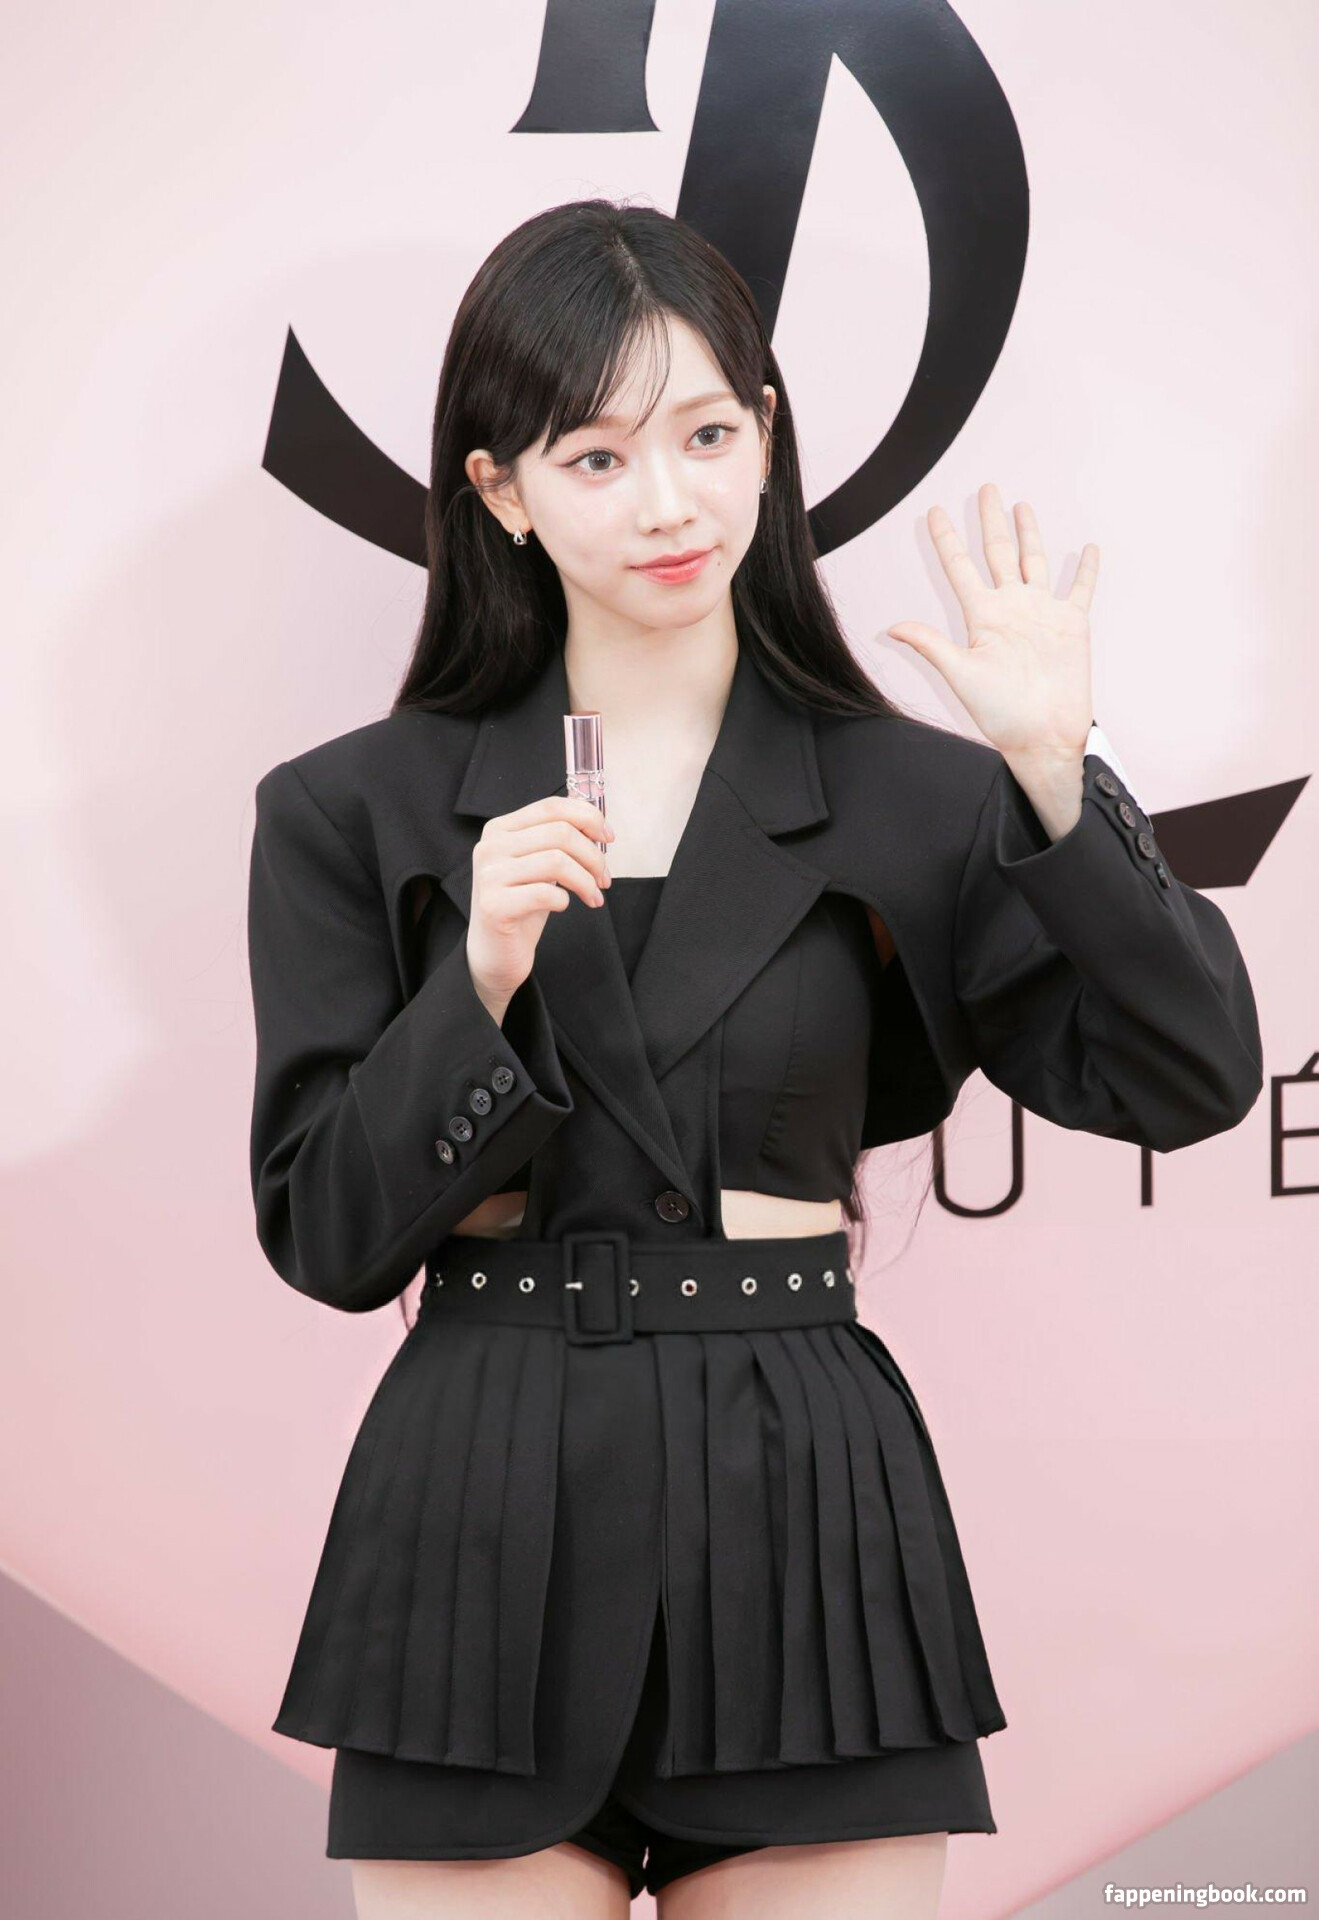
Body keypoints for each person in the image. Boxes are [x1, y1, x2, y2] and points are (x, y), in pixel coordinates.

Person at [246, 200, 1263, 1918]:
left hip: (801, 1501)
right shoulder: (355, 808)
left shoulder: (919, 795)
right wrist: (477, 984)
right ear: (501, 490)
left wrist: (1055, 777)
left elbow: (1192, 1077)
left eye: (709, 436)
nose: (670, 503)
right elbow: (327, 1240)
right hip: (478, 1501)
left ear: (768, 438)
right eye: (598, 456)